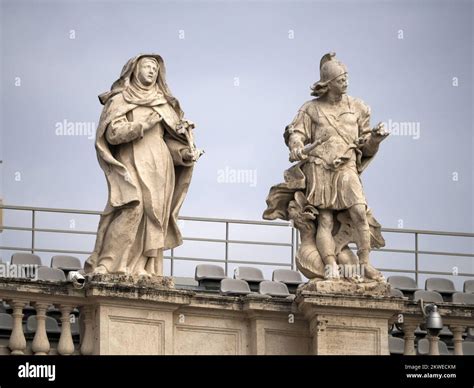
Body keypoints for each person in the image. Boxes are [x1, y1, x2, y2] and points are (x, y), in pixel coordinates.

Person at [264, 52, 388, 281]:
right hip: (320, 167)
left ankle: (365, 263)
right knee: (326, 220)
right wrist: (296, 145)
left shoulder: (358, 108)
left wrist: (376, 140)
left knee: (359, 212)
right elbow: (297, 134)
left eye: (346, 78)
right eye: (341, 80)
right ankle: (330, 263)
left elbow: (366, 148)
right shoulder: (311, 109)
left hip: (347, 167)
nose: (346, 83)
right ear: (328, 84)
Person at [85, 54, 201, 277]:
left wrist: (184, 154)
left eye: (155, 69)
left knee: (154, 214)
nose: (151, 71)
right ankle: (108, 264)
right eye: (147, 66)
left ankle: (142, 267)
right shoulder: (120, 99)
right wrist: (141, 125)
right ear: (134, 69)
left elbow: (170, 141)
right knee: (132, 206)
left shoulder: (164, 104)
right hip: (132, 159)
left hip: (160, 166)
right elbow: (112, 133)